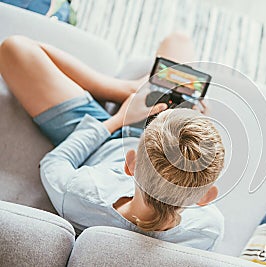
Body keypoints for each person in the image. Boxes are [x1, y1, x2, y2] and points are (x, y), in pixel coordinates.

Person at [0, 33, 225, 251]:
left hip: (102, 139)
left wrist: (119, 118)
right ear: (206, 196)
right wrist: (193, 134)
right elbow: (187, 177)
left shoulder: (84, 193)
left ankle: (122, 91)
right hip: (155, 146)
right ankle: (146, 97)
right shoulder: (208, 228)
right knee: (179, 41)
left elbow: (54, 162)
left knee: (14, 48)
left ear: (131, 163)